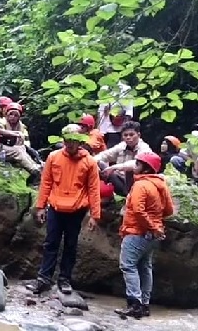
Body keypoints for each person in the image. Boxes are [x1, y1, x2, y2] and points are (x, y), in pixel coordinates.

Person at [28, 124, 101, 295]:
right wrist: (40, 207)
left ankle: (65, 280)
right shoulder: (53, 157)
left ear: (80, 142)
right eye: (67, 140)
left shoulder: (89, 162)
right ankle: (43, 279)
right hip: (55, 207)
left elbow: (93, 189)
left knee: (70, 245)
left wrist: (94, 215)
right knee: (50, 243)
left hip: (76, 210)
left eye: (74, 141)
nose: (70, 144)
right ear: (63, 140)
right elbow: (46, 183)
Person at [114, 152, 174, 319]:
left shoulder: (141, 185)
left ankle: (135, 304)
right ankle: (144, 305)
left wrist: (151, 226)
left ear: (146, 167)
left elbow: (139, 210)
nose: (135, 166)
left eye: (138, 164)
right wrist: (156, 226)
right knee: (145, 267)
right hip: (153, 235)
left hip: (137, 232)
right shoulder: (160, 185)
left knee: (128, 266)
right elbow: (168, 210)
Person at [94, 121, 152, 197]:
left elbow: (138, 164)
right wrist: (93, 163)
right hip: (120, 179)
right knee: (97, 164)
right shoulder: (121, 146)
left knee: (130, 170)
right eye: (125, 135)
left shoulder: (145, 148)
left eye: (131, 135)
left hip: (138, 183)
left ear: (138, 135)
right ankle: (102, 196)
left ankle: (130, 196)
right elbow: (104, 155)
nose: (128, 137)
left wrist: (114, 167)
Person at [98, 82, 134, 146]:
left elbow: (128, 112)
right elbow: (100, 111)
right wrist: (98, 128)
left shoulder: (126, 89)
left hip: (116, 129)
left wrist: (126, 131)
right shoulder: (104, 88)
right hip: (103, 129)